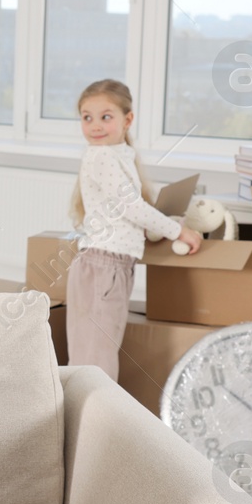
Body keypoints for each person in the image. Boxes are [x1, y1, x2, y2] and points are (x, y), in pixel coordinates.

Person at [66, 79, 201, 379]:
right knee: (95, 364)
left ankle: (90, 422)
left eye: (105, 116)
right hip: (103, 266)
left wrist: (155, 226)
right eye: (87, 117)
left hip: (111, 266)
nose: (95, 125)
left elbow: (123, 210)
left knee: (95, 357)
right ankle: (93, 424)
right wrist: (178, 232)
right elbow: (133, 207)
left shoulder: (118, 155)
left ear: (128, 120)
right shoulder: (100, 156)